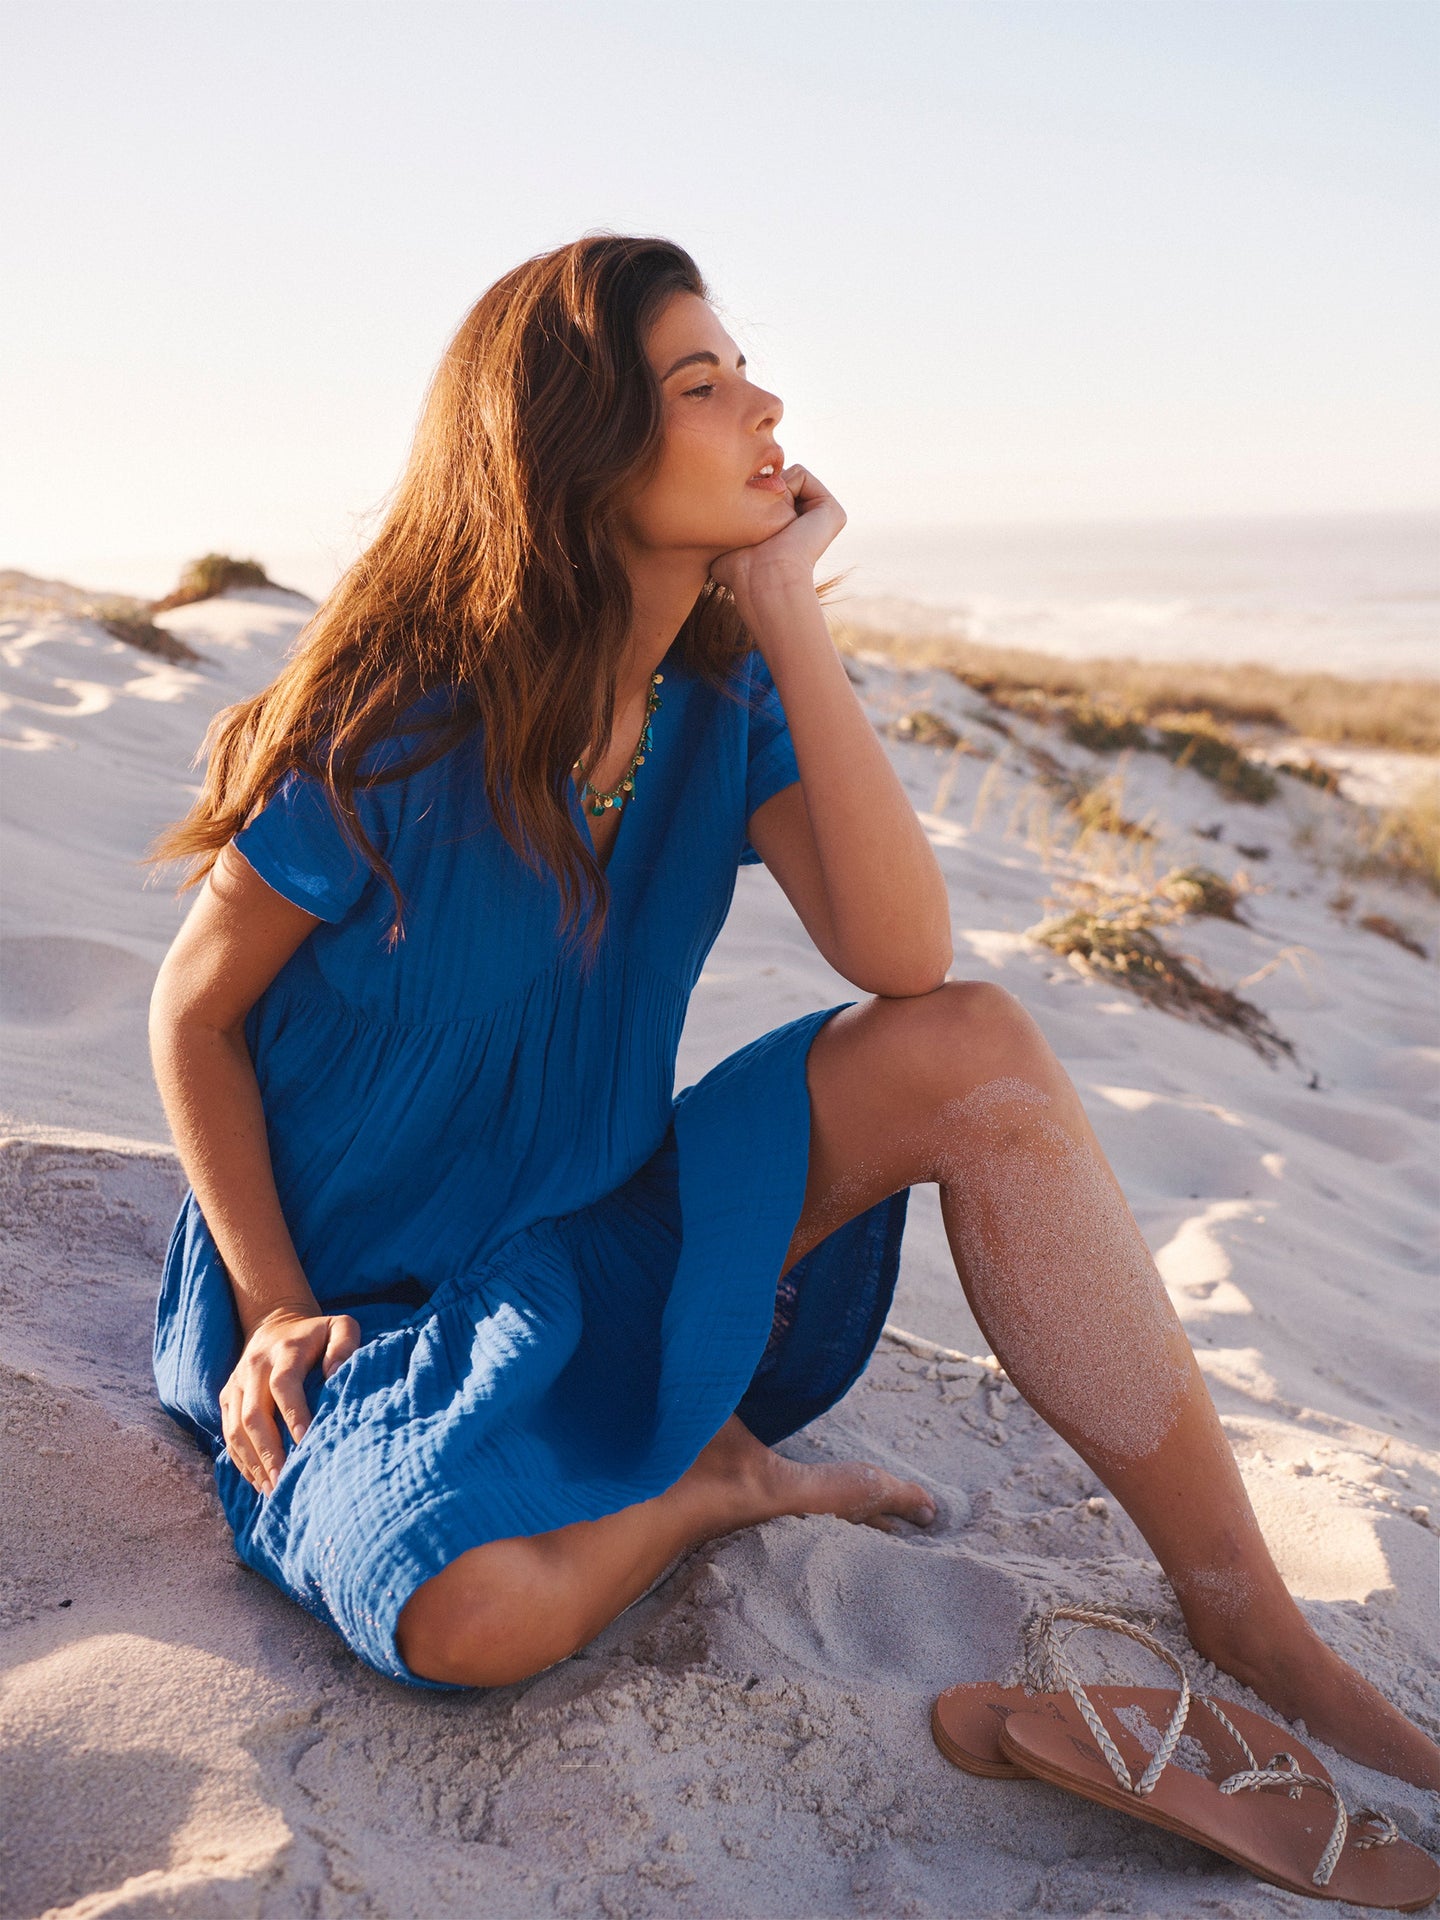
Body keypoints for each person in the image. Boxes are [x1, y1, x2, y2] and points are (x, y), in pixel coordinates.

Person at [146, 234, 1439, 1793]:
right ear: (576, 444)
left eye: (744, 369)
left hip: (592, 1236)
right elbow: (195, 1017)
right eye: (705, 383)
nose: (765, 406)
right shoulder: (399, 725)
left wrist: (783, 611)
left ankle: (1252, 1621)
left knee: (976, 1045)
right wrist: (276, 1299)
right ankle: (714, 1486)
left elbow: (904, 959)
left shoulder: (724, 699)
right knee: (470, 1616)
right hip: (359, 1306)